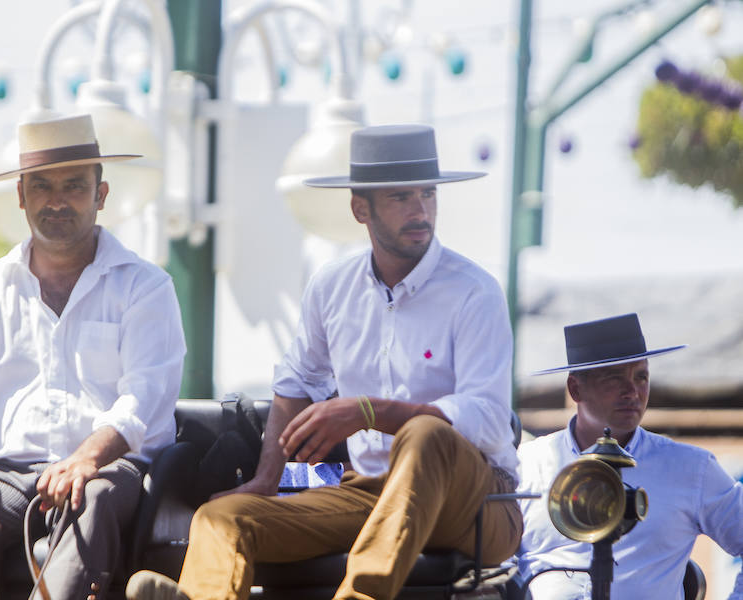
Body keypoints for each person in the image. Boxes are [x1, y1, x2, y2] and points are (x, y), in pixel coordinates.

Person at [128, 124, 522, 600]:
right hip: (367, 492)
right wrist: (265, 481)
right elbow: (297, 380)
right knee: (222, 518)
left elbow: (489, 423)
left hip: (480, 501)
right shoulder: (332, 286)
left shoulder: (475, 292)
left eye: (428, 194)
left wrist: (368, 411)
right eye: (401, 198)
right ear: (361, 208)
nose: (421, 211)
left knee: (426, 435)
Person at [0, 114, 186, 599]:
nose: (56, 201)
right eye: (42, 187)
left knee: (87, 496)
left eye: (73, 186)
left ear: (101, 194)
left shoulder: (146, 287)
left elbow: (145, 397)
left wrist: (83, 460)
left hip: (108, 473)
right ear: (22, 196)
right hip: (4, 478)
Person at [514, 313, 743, 598]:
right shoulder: (526, 464)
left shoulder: (691, 468)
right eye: (614, 378)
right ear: (575, 388)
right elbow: (494, 562)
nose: (632, 391)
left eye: (641, 377)